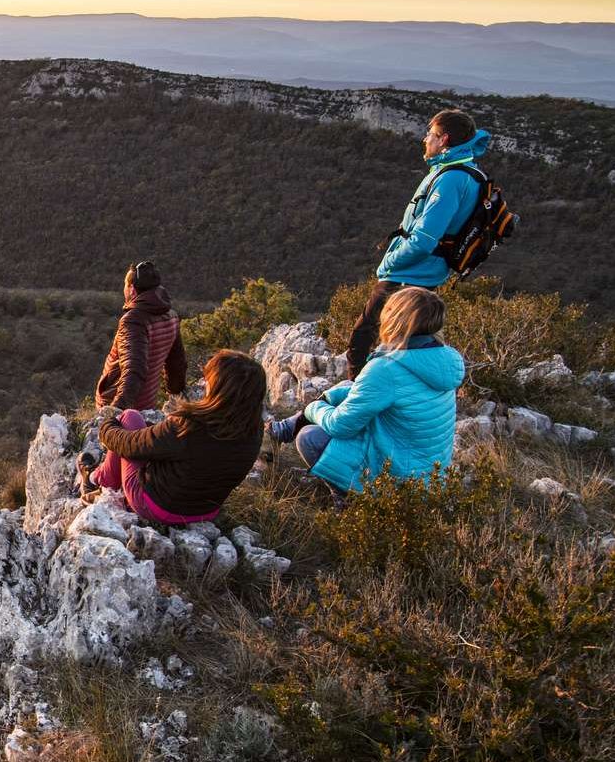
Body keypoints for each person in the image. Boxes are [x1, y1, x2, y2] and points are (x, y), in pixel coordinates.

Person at [269, 287, 464, 493]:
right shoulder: (444, 358)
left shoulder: (386, 369)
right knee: (347, 387)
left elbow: (339, 426)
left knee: (309, 438)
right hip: (430, 477)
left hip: (399, 483)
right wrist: (329, 397)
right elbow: (384, 392)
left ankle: (347, 499)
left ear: (394, 320)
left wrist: (313, 408)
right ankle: (287, 427)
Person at [346, 109, 491, 379]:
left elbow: (424, 239)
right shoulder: (463, 171)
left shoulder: (450, 179)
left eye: (430, 134)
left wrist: (388, 263)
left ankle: (359, 401)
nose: (425, 139)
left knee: (362, 340)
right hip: (424, 273)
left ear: (444, 139)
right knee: (402, 345)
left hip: (408, 275)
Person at [87, 349, 266, 525]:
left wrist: (108, 426)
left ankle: (97, 480)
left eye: (209, 380)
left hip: (155, 507)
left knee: (130, 417)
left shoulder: (190, 425)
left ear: (219, 389)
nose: (205, 384)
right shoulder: (254, 432)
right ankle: (104, 479)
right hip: (205, 513)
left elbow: (130, 445)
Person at [94, 260, 187, 414]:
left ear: (132, 289)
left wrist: (117, 409)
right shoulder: (172, 316)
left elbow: (133, 369)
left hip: (121, 407)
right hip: (147, 406)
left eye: (125, 286)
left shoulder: (133, 320)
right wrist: (176, 396)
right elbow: (177, 364)